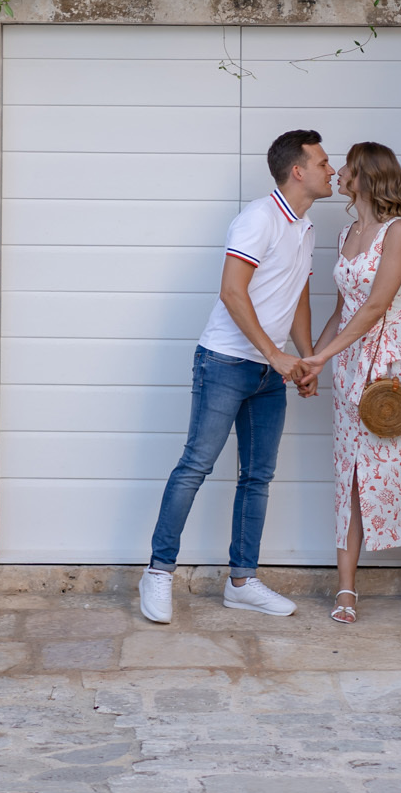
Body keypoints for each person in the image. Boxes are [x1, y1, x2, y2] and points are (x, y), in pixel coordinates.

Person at [139, 129, 333, 625]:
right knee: (195, 466)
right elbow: (232, 292)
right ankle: (159, 572)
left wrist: (306, 359)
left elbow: (297, 298)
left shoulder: (305, 228)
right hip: (225, 363)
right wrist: (275, 354)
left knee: (258, 477)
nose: (331, 171)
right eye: (324, 163)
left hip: (271, 373)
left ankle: (242, 582)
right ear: (298, 170)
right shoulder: (258, 219)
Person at [301, 141, 401, 623]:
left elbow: (377, 305)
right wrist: (314, 362)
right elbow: (343, 310)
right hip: (351, 358)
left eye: (346, 166)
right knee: (353, 473)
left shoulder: (398, 231)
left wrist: (323, 355)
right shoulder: (347, 233)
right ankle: (347, 589)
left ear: (365, 175)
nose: (336, 171)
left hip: (395, 358)